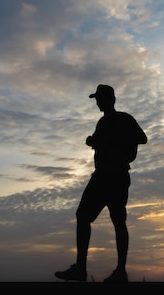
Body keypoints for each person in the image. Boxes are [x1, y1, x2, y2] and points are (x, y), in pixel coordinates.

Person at [55, 84, 148, 283]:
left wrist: (110, 140)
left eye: (100, 99)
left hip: (113, 175)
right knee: (87, 217)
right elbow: (101, 142)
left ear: (110, 99)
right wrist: (93, 142)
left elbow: (142, 138)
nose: (97, 102)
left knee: (115, 220)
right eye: (97, 99)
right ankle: (83, 269)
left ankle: (117, 271)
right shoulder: (102, 122)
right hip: (104, 174)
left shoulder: (123, 118)